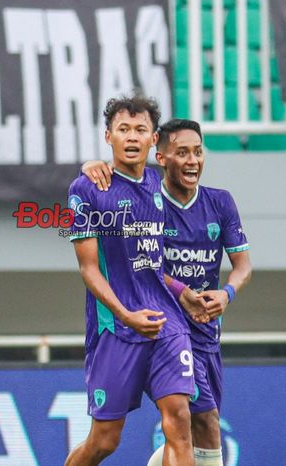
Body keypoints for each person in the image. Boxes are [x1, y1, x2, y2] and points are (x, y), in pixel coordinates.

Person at [82, 118, 252, 466]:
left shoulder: (220, 203)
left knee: (201, 423)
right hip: (167, 323)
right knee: (188, 422)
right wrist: (89, 167)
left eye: (198, 153)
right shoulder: (147, 199)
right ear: (162, 157)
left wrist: (227, 294)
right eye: (182, 153)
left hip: (205, 330)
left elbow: (243, 266)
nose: (192, 161)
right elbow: (142, 264)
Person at [66, 97, 204, 466]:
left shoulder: (161, 184)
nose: (131, 137)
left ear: (153, 139)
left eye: (140, 130)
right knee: (104, 442)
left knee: (179, 419)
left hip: (165, 323)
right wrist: (126, 315)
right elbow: (88, 269)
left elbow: (151, 263)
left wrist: (182, 292)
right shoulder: (86, 190)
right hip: (117, 328)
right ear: (108, 136)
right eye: (123, 130)